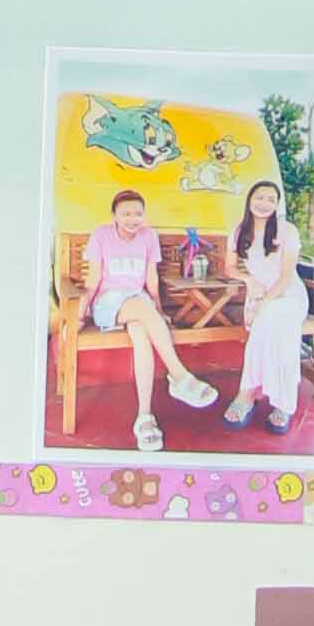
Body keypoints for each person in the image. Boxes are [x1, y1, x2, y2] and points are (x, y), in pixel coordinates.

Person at [70, 181, 216, 458]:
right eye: (126, 214)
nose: (132, 219)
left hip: (139, 304)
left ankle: (144, 416)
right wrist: (79, 314)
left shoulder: (149, 236)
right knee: (141, 308)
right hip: (109, 303)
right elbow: (93, 280)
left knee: (141, 334)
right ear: (114, 215)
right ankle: (179, 375)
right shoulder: (101, 235)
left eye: (137, 214)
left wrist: (159, 310)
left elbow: (151, 280)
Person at [226, 176, 313, 435]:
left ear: (277, 205)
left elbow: (285, 278)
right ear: (249, 200)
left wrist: (261, 306)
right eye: (260, 197)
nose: (264, 203)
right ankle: (275, 400)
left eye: (271, 200)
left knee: (271, 319)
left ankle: (248, 394)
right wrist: (248, 279)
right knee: (272, 329)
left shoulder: (287, 231)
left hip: (288, 296)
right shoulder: (239, 230)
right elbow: (229, 267)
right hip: (259, 296)